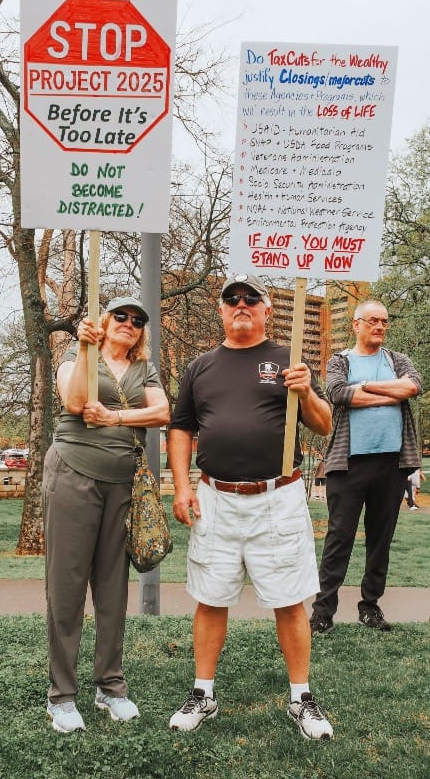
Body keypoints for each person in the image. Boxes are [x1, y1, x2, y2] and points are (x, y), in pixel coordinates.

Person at [167, 274, 334, 741]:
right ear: (221, 312)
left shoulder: (290, 359)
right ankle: (203, 694)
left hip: (277, 497)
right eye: (231, 300)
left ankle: (301, 698)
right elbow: (180, 429)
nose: (241, 304)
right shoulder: (200, 367)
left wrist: (307, 392)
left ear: (266, 311)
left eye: (251, 299)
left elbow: (322, 425)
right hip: (215, 498)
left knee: (288, 599)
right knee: (210, 596)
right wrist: (183, 489)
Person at [42, 297, 170, 733]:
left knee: (113, 588)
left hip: (122, 485)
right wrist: (82, 348)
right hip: (73, 474)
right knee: (67, 584)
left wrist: (116, 416)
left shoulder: (143, 370)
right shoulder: (77, 356)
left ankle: (110, 688)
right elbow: (75, 402)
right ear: (104, 320)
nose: (129, 324)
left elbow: (162, 411)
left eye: (137, 321)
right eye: (121, 316)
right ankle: (61, 696)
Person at [310, 300, 422, 635]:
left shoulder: (397, 360)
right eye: (373, 320)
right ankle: (322, 612)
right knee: (339, 538)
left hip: (392, 463)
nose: (379, 326)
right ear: (356, 324)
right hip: (349, 463)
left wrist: (368, 388)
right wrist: (391, 393)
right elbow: (339, 393)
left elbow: (414, 386)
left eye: (384, 321)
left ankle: (369, 607)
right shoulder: (340, 360)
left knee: (380, 540)